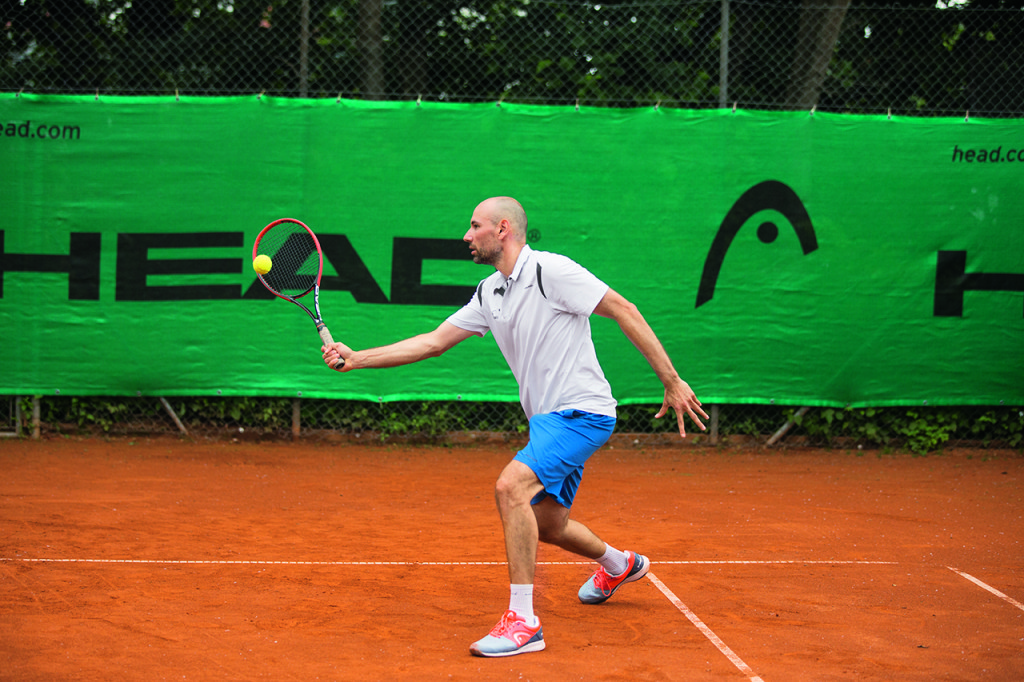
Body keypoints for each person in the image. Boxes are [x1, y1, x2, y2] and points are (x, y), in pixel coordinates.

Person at [322, 196, 707, 658]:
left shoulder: (551, 272)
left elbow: (624, 308)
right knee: (547, 524)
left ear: (502, 229)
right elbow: (432, 342)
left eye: (474, 226)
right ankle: (619, 564)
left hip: (582, 412)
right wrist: (357, 358)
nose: (466, 236)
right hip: (547, 421)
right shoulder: (491, 292)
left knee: (510, 489)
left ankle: (524, 622)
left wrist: (672, 380)